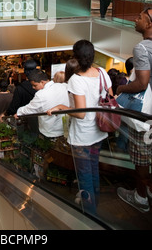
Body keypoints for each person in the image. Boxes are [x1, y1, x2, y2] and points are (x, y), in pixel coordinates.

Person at [47, 40, 113, 215]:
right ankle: (95, 205)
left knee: (84, 176)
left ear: (75, 56)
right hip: (99, 132)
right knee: (93, 170)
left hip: (83, 137)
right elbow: (110, 98)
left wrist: (61, 107)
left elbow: (80, 113)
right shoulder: (102, 73)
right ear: (92, 56)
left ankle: (89, 214)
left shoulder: (76, 79)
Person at [115, 7, 152, 213]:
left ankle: (140, 197)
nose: (134, 20)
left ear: (149, 24)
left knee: (141, 156)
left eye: (139, 18)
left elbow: (142, 82)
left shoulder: (142, 48)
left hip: (144, 114)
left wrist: (122, 88)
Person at [15, 69, 70, 140]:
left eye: (35, 85)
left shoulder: (41, 94)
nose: (33, 88)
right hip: (65, 129)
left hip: (50, 132)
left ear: (42, 82)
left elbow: (29, 109)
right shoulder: (64, 86)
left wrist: (18, 112)